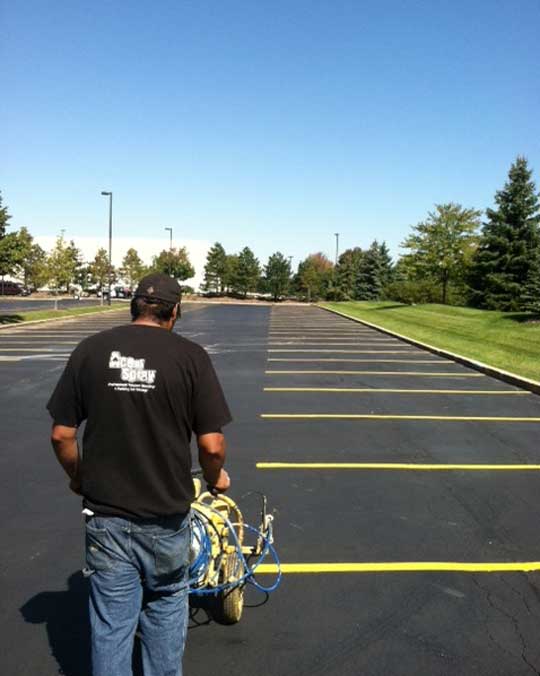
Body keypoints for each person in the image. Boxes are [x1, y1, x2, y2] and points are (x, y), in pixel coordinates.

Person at [47, 273, 232, 676]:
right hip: (166, 519)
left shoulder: (91, 350)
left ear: (134, 305)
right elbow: (212, 446)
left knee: (112, 627)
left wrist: (77, 476)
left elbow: (62, 434)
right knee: (165, 610)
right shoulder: (191, 358)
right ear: (175, 311)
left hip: (107, 518)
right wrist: (216, 478)